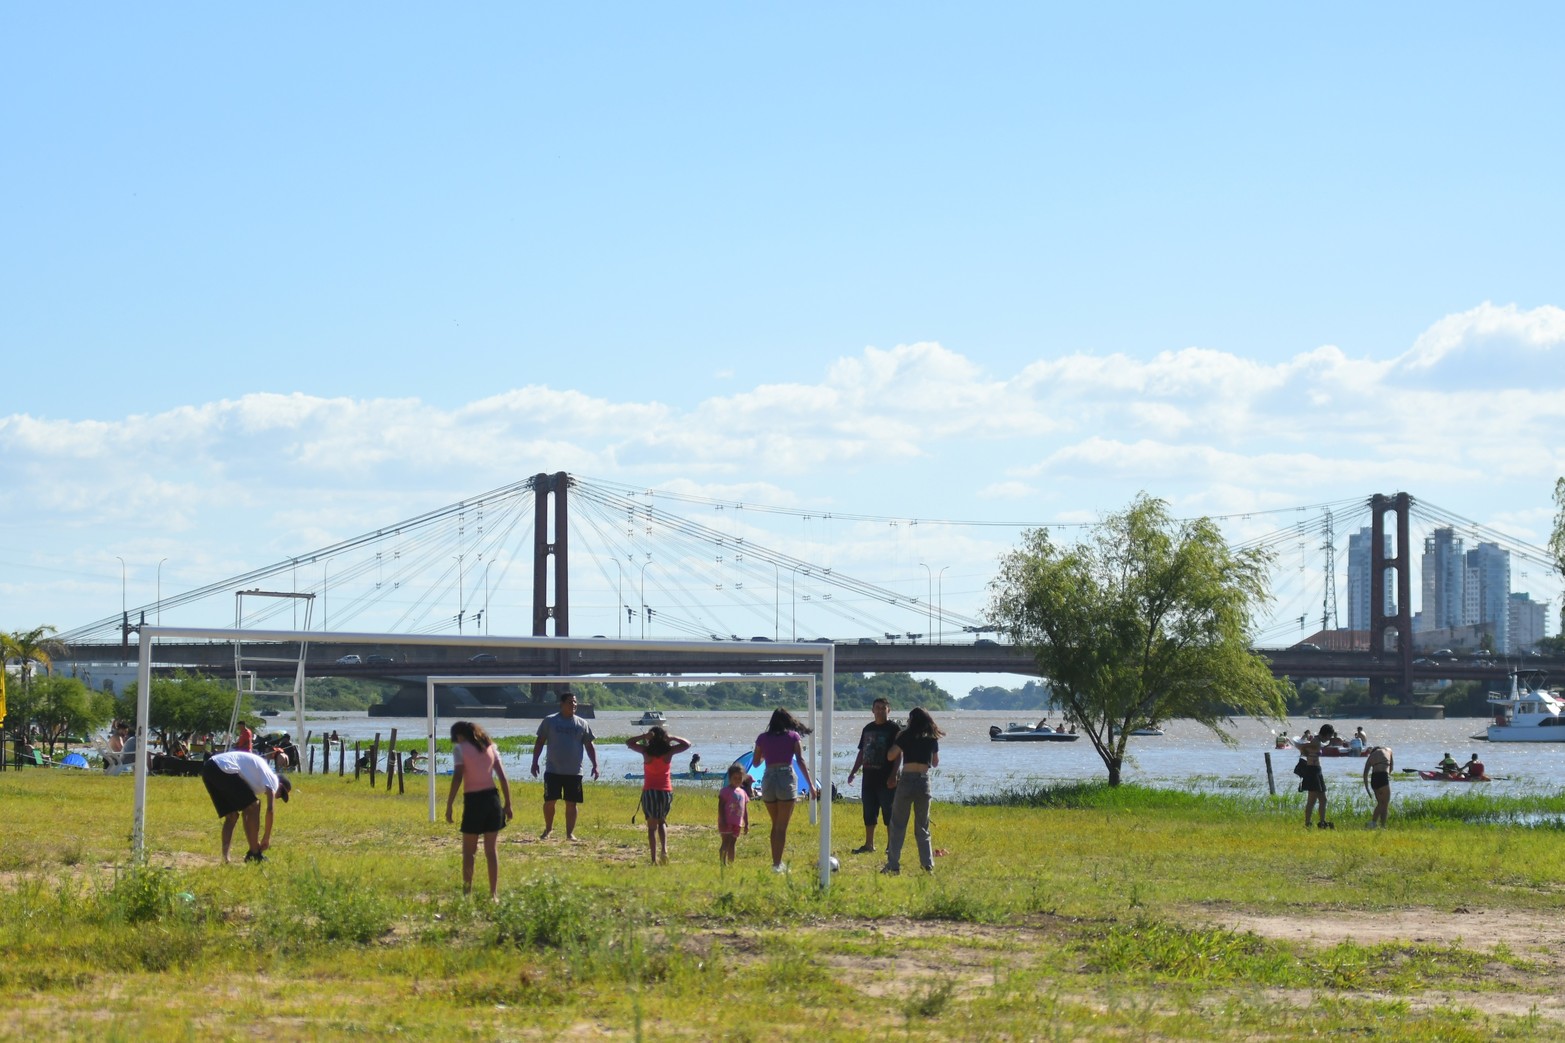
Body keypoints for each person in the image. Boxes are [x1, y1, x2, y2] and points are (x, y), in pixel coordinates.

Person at [444, 720, 513, 899]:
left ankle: (467, 894)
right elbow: (503, 777)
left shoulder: (460, 749)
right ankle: (494, 894)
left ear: (459, 736)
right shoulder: (490, 747)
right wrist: (508, 803)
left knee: (469, 852)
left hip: (474, 801)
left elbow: (458, 776)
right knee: (491, 851)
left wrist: (449, 803)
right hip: (492, 799)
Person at [753, 707, 820, 873]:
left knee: (775, 824)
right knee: (782, 826)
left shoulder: (762, 738)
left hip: (768, 779)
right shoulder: (793, 737)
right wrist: (811, 785)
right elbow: (801, 761)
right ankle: (778, 864)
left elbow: (755, 763)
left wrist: (766, 754)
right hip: (786, 778)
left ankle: (775, 863)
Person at [881, 706, 943, 875]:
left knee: (898, 824)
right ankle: (927, 865)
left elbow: (891, 756)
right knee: (922, 826)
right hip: (923, 780)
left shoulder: (905, 735)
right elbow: (935, 762)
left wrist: (898, 740)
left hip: (907, 779)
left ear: (912, 720)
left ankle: (893, 865)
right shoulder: (931, 738)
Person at [200, 748, 291, 863]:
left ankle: (225, 859)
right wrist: (266, 837)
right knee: (255, 805)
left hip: (209, 768)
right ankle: (254, 854)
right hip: (224, 768)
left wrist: (254, 839)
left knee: (232, 816)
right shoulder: (272, 779)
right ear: (280, 783)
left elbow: (246, 813)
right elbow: (270, 810)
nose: (278, 797)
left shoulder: (255, 779)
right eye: (281, 793)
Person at [530, 690, 598, 841]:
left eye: (575, 702)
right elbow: (540, 742)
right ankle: (548, 830)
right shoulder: (550, 721)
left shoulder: (582, 724)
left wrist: (595, 765)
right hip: (553, 770)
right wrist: (534, 762)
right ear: (561, 704)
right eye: (570, 702)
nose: (573, 704)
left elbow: (589, 745)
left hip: (574, 772)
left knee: (571, 803)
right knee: (549, 801)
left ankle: (569, 834)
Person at [626, 726, 691, 864]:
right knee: (662, 822)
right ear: (664, 738)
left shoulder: (645, 751)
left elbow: (629, 743)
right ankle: (664, 850)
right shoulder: (669, 752)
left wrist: (644, 736)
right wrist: (673, 738)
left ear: (651, 739)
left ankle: (653, 858)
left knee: (651, 827)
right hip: (664, 791)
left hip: (650, 791)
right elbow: (687, 744)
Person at [845, 697, 901, 855]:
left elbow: (898, 755)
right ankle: (869, 844)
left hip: (887, 777)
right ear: (872, 710)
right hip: (869, 776)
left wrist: (894, 775)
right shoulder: (867, 728)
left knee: (888, 811)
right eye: (877, 707)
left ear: (888, 710)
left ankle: (891, 845)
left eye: (883, 708)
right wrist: (853, 772)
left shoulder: (894, 729)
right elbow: (862, 752)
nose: (880, 710)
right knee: (869, 811)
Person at [1293, 723, 1335, 828]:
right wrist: (1304, 752)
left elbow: (1306, 748)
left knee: (1323, 799)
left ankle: (1322, 822)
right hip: (1312, 771)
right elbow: (1302, 746)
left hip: (1317, 771)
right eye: (1329, 736)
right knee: (1311, 800)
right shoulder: (1316, 742)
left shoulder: (1318, 741)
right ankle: (1307, 823)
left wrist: (1306, 753)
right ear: (1325, 734)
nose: (1329, 738)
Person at [717, 762, 750, 865]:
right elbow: (721, 806)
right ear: (730, 778)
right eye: (734, 778)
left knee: (733, 842)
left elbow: (745, 809)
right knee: (726, 842)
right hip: (727, 822)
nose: (737, 780)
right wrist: (722, 819)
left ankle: (731, 862)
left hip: (737, 823)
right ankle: (723, 863)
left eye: (739, 778)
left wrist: (746, 823)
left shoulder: (743, 792)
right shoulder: (725, 791)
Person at [1362, 744, 1394, 828]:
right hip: (1383, 777)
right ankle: (1378, 824)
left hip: (1374, 779)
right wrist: (1388, 775)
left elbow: (1365, 773)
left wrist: (1367, 789)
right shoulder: (1388, 750)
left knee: (1381, 803)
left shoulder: (1371, 756)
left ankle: (1376, 824)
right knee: (1385, 803)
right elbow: (1391, 767)